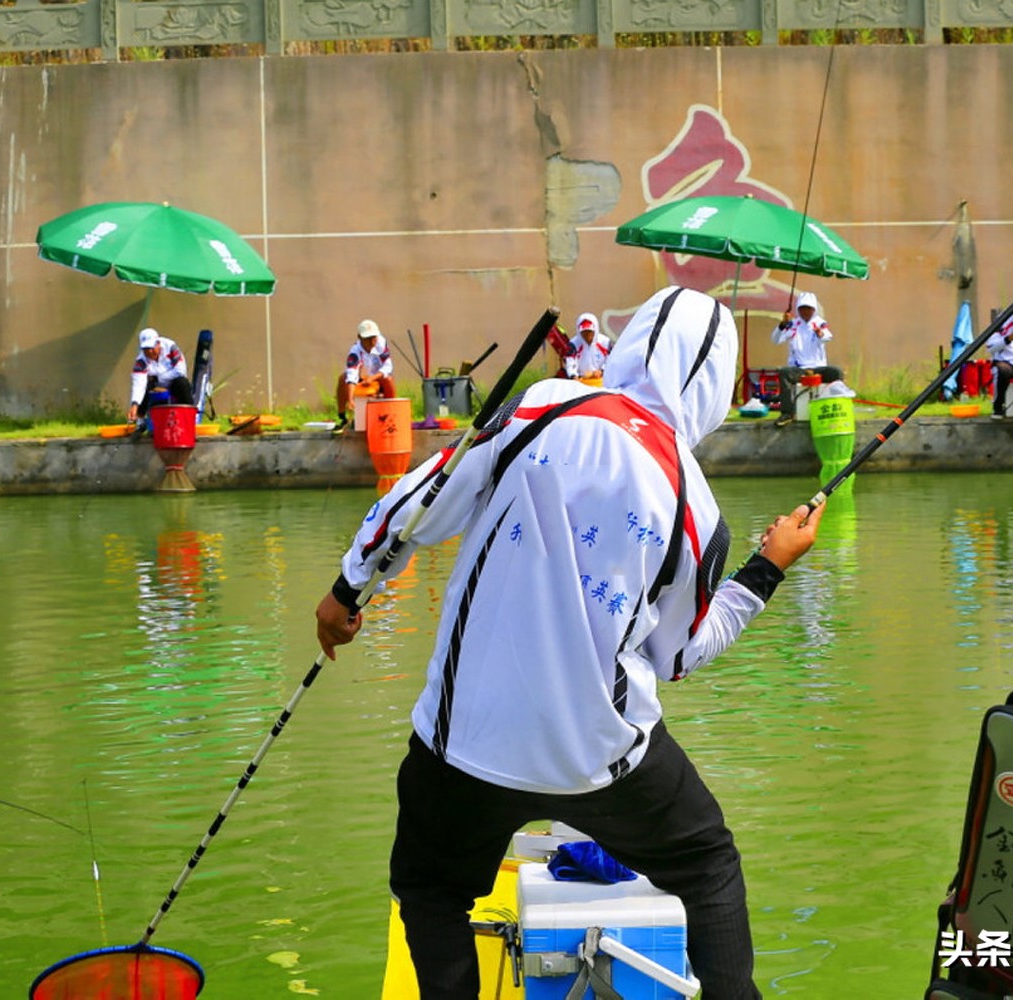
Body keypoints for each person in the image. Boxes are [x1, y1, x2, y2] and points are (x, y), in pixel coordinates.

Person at [315, 286, 824, 1000]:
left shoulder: (541, 405)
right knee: (707, 865)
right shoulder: (697, 508)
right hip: (600, 758)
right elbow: (678, 657)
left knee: (432, 893)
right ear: (712, 388)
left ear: (628, 344)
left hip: (462, 742)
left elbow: (422, 501)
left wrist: (349, 589)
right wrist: (766, 570)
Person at [770, 291, 843, 426]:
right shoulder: (792, 325)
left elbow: (827, 336)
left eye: (809, 309)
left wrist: (820, 334)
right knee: (784, 373)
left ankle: (837, 409)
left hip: (818, 367)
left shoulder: (819, 323)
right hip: (799, 369)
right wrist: (782, 325)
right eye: (802, 308)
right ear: (798, 309)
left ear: (814, 309)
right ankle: (787, 413)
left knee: (836, 372)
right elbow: (775, 340)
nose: (806, 312)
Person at [336, 319, 396, 429]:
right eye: (367, 338)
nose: (372, 341)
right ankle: (342, 416)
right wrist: (350, 400)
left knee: (388, 379)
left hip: (378, 377)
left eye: (374, 337)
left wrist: (372, 378)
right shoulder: (355, 351)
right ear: (359, 337)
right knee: (342, 378)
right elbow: (351, 375)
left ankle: (392, 412)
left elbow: (388, 366)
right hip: (361, 378)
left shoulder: (381, 343)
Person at [126, 328, 192, 423]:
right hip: (154, 386)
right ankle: (139, 421)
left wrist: (159, 379)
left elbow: (180, 371)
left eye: (152, 348)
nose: (149, 352)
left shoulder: (171, 347)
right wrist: (134, 404)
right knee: (144, 385)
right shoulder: (141, 361)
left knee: (182, 383)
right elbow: (138, 384)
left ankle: (189, 418)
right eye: (145, 349)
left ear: (158, 343)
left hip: (174, 383)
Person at [564, 312, 612, 381]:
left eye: (590, 332)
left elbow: (611, 359)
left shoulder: (605, 342)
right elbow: (570, 363)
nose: (587, 335)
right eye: (584, 332)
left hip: (601, 379)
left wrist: (602, 371)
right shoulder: (573, 344)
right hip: (581, 380)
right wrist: (573, 376)